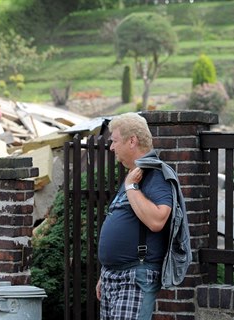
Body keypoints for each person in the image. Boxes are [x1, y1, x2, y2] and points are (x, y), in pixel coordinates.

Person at [96, 112, 173, 320]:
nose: (111, 147)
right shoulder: (135, 174)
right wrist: (107, 271)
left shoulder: (156, 175)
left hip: (134, 277)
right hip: (114, 276)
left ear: (132, 141)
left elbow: (158, 220)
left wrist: (131, 187)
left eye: (115, 141)